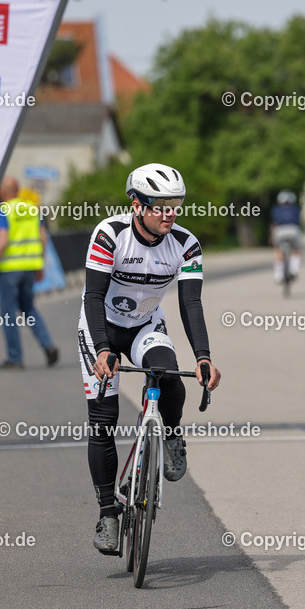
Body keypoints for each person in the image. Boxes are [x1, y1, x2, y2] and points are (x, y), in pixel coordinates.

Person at [79, 162, 222, 552]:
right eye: (160, 205)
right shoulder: (110, 234)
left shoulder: (186, 243)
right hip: (102, 327)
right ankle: (108, 513)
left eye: (175, 204)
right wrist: (104, 350)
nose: (170, 213)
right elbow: (93, 296)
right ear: (136, 203)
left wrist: (203, 356)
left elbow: (191, 303)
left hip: (145, 324)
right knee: (103, 419)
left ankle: (171, 435)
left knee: (168, 375)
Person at [0, 177, 59, 370]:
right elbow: (43, 238)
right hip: (30, 268)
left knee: (8, 314)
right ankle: (48, 345)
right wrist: (39, 265)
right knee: (29, 308)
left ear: (4, 192)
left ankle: (15, 358)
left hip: (9, 270)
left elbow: (2, 241)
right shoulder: (32, 209)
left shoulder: (3, 210)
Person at [270, 190, 302, 283]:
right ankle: (294, 270)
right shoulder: (296, 209)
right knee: (296, 250)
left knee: (278, 251)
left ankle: (278, 274)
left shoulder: (276, 209)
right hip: (293, 230)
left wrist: (271, 237)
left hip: (280, 231)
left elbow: (274, 224)